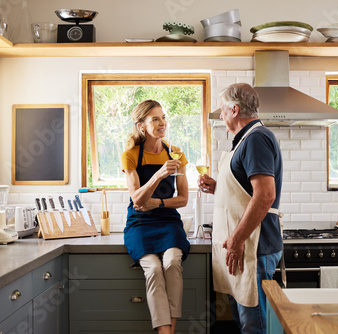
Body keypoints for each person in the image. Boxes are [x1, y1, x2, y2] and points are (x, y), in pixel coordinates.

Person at [198, 83, 283, 334]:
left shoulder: (256, 138)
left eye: (223, 110)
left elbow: (265, 195)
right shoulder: (244, 141)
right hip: (244, 248)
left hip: (254, 247)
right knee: (244, 322)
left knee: (255, 326)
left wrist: (236, 239)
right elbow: (246, 191)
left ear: (234, 110)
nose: (221, 115)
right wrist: (218, 187)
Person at [121, 99, 190, 334]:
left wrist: (157, 203)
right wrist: (159, 174)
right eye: (155, 119)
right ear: (142, 126)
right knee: (152, 268)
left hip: (169, 222)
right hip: (139, 223)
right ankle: (165, 332)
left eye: (163, 117)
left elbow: (183, 199)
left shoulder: (176, 153)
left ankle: (167, 331)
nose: (163, 123)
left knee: (172, 263)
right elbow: (137, 200)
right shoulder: (130, 155)